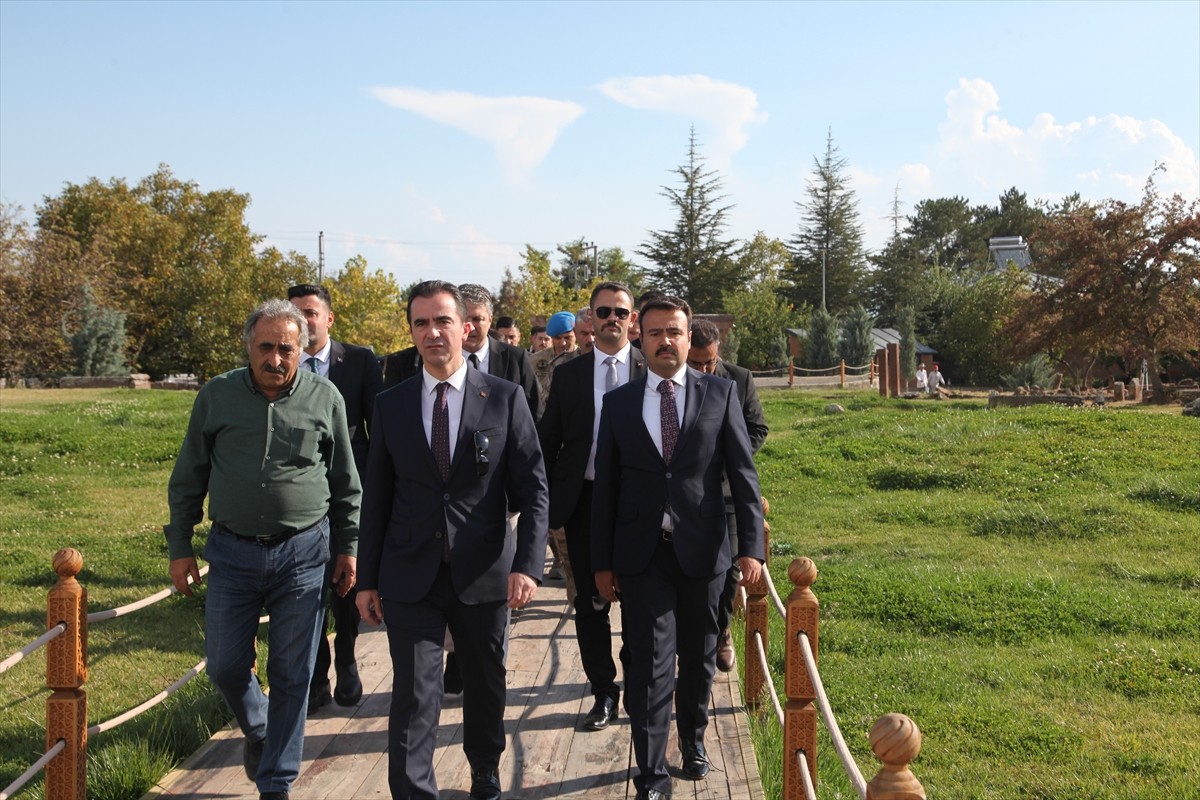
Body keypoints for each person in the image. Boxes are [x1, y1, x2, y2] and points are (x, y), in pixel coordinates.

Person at [356, 280, 549, 800]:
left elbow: (533, 489)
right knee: (415, 694)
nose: (432, 332)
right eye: (421, 323)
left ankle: (484, 764)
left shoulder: (504, 398)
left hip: (485, 569)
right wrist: (366, 578)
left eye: (442, 321)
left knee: (485, 680)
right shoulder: (392, 404)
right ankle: (415, 791)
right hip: (408, 572)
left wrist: (528, 565)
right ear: (412, 332)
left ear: (465, 327)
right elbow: (375, 498)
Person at [165, 299, 361, 800]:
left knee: (293, 673)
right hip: (231, 553)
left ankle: (276, 784)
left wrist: (349, 546)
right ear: (249, 347)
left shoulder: (325, 397)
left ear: (304, 348)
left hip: (304, 553)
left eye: (287, 349)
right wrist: (180, 544)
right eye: (266, 347)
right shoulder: (217, 396)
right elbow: (189, 475)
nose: (276, 359)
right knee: (225, 664)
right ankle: (260, 729)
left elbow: (345, 481)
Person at [592, 295, 764, 800]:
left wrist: (750, 546)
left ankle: (692, 738)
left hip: (705, 551)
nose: (665, 342)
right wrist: (602, 562)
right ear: (639, 340)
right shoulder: (619, 403)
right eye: (655, 334)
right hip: (643, 558)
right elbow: (606, 488)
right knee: (646, 665)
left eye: (675, 332)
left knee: (699, 655)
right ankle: (650, 774)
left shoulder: (720, 394)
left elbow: (743, 476)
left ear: (690, 338)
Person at [537, 281, 644, 733]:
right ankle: (603, 691)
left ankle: (639, 685)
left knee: (641, 602)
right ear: (590, 321)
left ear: (633, 320)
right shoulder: (570, 376)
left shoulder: (650, 370)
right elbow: (549, 440)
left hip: (639, 506)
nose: (612, 320)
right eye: (603, 312)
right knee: (590, 606)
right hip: (583, 502)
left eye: (621, 312)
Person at [286, 283, 382, 714]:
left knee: (347, 582)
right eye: (295, 313)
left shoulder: (359, 360)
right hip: (298, 493)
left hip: (349, 489)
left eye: (309, 312)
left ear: (328, 319)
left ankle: (346, 657)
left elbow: (375, 428)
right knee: (307, 591)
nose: (302, 321)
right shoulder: (279, 361)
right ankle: (317, 673)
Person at [686, 319, 768, 673]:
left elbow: (758, 427)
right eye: (697, 363)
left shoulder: (740, 378)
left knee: (730, 570)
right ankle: (689, 638)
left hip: (727, 491)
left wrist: (730, 454)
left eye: (710, 362)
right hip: (686, 493)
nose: (705, 369)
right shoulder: (671, 383)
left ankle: (721, 631)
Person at [532, 311, 579, 416]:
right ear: (552, 337)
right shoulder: (535, 360)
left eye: (568, 337)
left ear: (576, 334)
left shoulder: (584, 358)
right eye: (558, 338)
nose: (563, 343)